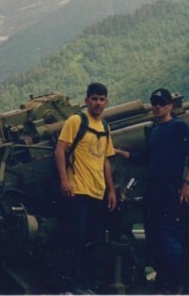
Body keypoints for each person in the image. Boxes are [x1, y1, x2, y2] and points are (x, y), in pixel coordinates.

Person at [116, 87, 189, 295]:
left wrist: (187, 183)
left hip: (171, 190)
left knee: (168, 238)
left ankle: (173, 286)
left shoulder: (180, 128)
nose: (158, 107)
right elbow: (144, 159)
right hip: (153, 192)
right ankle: (162, 284)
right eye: (154, 103)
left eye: (162, 103)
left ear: (170, 106)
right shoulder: (154, 131)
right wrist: (118, 152)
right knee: (153, 237)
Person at [53, 82, 119, 294]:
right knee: (74, 241)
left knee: (93, 242)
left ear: (106, 102)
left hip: (97, 192)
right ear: (86, 100)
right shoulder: (76, 121)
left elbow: (106, 161)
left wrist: (111, 190)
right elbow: (60, 151)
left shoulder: (105, 127)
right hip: (77, 190)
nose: (98, 103)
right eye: (94, 99)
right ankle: (69, 287)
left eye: (102, 99)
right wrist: (65, 181)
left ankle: (88, 286)